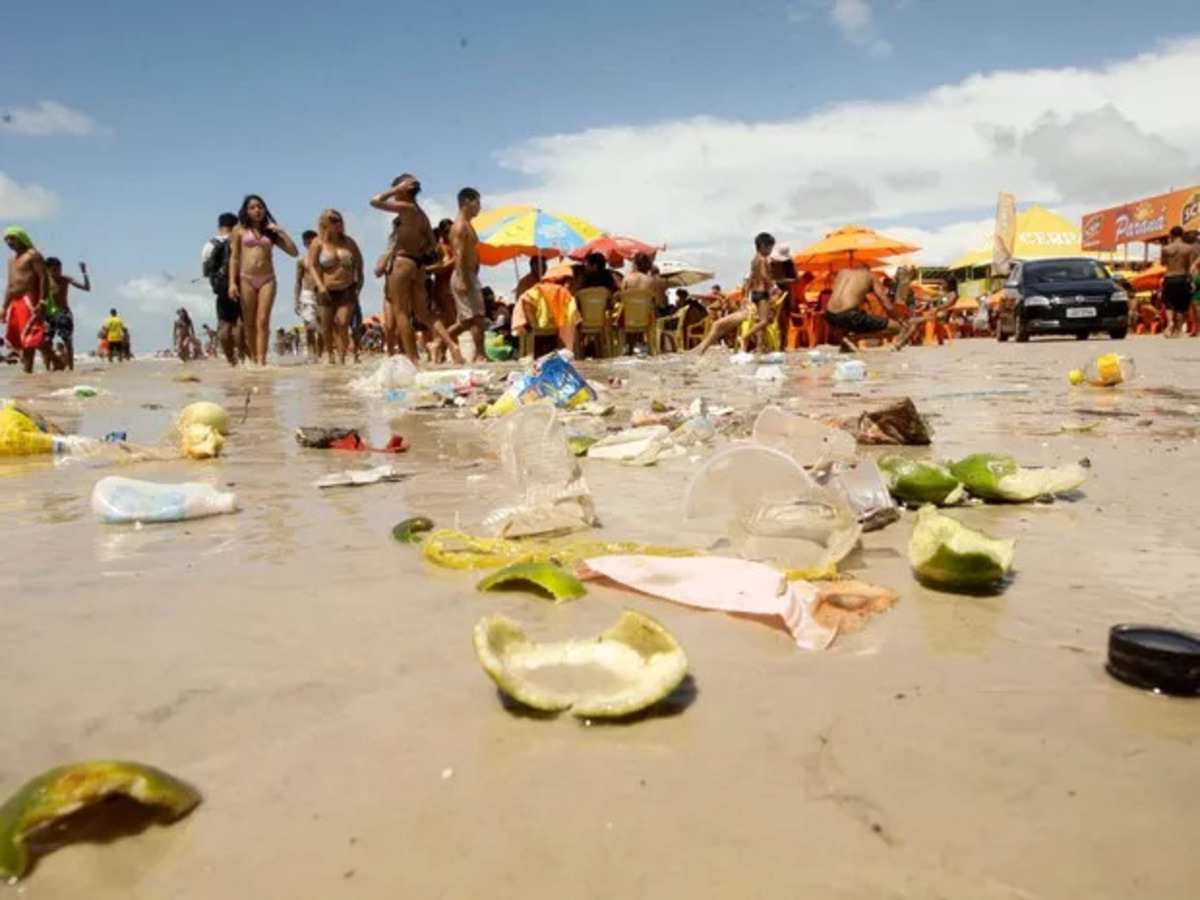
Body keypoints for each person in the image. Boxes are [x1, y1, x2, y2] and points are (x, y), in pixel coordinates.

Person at [369, 174, 462, 365]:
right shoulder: (422, 215)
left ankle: (413, 359)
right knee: (424, 313)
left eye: (397, 191)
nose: (394, 196)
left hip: (402, 262)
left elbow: (375, 202)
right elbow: (432, 245)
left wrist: (396, 189)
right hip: (418, 265)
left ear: (403, 190)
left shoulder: (406, 208)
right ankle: (451, 345)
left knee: (401, 311)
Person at [229, 194, 298, 365]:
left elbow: (294, 252)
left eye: (260, 207)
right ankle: (253, 358)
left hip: (268, 279)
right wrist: (232, 283)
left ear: (265, 209)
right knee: (249, 322)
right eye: (252, 207)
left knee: (263, 321)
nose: (257, 210)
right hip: (246, 278)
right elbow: (235, 258)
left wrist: (281, 231)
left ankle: (262, 361)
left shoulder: (271, 232)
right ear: (246, 211)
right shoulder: (239, 230)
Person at [693, 233, 780, 355]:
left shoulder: (754, 260)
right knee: (720, 324)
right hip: (757, 303)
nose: (771, 251)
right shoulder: (763, 260)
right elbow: (765, 278)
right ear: (763, 246)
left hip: (752, 302)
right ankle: (744, 337)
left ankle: (700, 350)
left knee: (718, 325)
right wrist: (773, 285)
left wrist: (746, 297)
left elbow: (750, 280)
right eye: (770, 248)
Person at [306, 209, 364, 365]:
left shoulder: (349, 242)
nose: (338, 223)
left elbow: (359, 260)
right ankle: (330, 355)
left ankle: (342, 358)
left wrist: (360, 277)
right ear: (324, 223)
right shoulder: (317, 243)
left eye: (339, 220)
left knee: (343, 322)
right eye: (333, 220)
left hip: (347, 288)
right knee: (326, 327)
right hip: (326, 289)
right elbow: (311, 265)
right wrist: (319, 285)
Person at [825, 263, 923, 350]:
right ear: (868, 270)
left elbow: (846, 295)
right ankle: (853, 339)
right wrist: (899, 319)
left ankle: (845, 346)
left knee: (853, 321)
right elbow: (887, 305)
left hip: (829, 315)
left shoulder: (842, 272)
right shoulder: (870, 276)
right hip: (849, 315)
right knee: (896, 328)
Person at [446, 187, 486, 361]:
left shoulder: (469, 225)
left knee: (471, 319)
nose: (480, 207)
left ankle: (439, 343)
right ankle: (479, 355)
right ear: (466, 202)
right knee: (475, 318)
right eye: (477, 202)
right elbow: (459, 254)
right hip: (464, 275)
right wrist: (463, 279)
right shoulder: (460, 226)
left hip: (470, 274)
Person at [3, 226, 51, 373]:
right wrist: (4, 307)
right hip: (14, 302)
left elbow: (44, 278)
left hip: (29, 300)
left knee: (29, 340)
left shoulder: (33, 255)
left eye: (12, 238)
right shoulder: (11, 261)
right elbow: (10, 285)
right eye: (6, 240)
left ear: (21, 238)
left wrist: (42, 301)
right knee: (19, 339)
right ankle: (54, 358)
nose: (9, 242)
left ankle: (27, 373)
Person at [202, 213, 244, 366]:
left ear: (219, 226)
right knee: (242, 327)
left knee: (225, 328)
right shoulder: (240, 242)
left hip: (222, 291)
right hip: (243, 288)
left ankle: (231, 363)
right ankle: (244, 360)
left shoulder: (209, 245)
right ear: (236, 226)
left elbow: (206, 272)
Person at [44, 258, 89, 371]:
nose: (58, 272)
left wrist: (84, 272)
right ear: (48, 269)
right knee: (46, 342)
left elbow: (86, 288)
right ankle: (48, 368)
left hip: (63, 313)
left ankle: (71, 369)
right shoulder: (43, 281)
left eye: (59, 269)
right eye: (54, 269)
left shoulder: (65, 279)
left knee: (67, 341)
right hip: (48, 314)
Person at [426, 218, 458, 363]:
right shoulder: (442, 247)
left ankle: (441, 354)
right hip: (444, 288)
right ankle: (445, 351)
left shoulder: (448, 246)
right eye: (448, 231)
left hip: (447, 288)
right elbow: (443, 267)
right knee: (450, 322)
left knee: (447, 322)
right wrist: (457, 259)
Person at [1160, 226, 1198, 338]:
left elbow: (1163, 263)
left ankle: (1170, 322)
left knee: (1169, 304)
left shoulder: (1166, 249)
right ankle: (1178, 330)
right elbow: (1190, 266)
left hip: (1170, 277)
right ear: (1182, 235)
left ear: (1171, 235)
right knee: (1181, 306)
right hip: (1183, 277)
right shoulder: (1188, 248)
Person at [294, 230, 322, 361]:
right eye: (310, 242)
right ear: (305, 244)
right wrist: (296, 301)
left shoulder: (323, 258)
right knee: (310, 328)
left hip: (322, 293)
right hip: (307, 295)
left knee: (323, 327)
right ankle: (312, 355)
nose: (313, 244)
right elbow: (298, 281)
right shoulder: (301, 260)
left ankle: (322, 354)